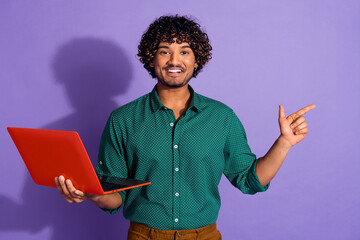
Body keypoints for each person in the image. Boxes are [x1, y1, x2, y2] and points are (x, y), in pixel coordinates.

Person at [55, 15, 315, 240]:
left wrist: (284, 142)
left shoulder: (222, 117)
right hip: (144, 235)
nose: (174, 60)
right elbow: (114, 197)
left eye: (184, 51)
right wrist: (91, 194)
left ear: (196, 59)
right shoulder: (122, 120)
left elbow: (250, 180)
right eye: (164, 50)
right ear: (151, 57)